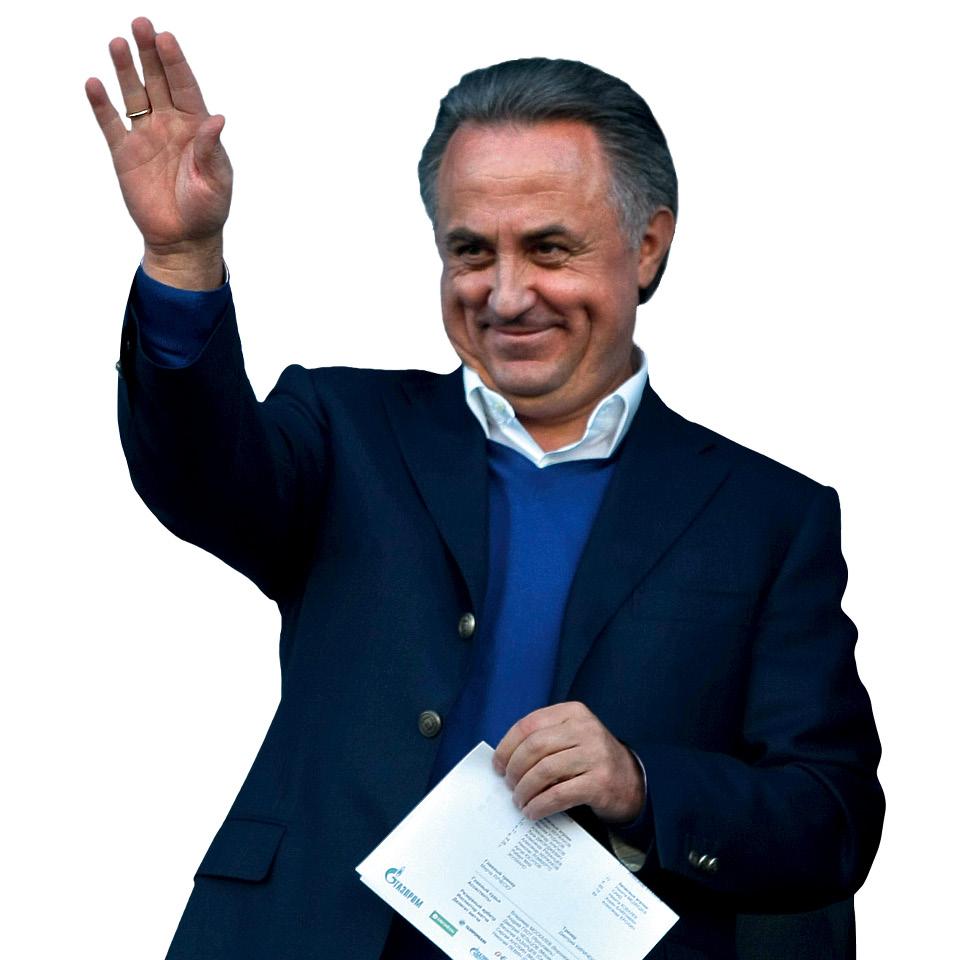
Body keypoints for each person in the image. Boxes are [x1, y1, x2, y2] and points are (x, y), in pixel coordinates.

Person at [86, 16, 884, 960]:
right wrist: (183, 261)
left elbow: (831, 815)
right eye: (471, 252)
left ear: (647, 247)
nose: (505, 295)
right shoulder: (344, 432)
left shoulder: (768, 517)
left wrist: (641, 783)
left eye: (549, 249)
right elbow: (195, 474)